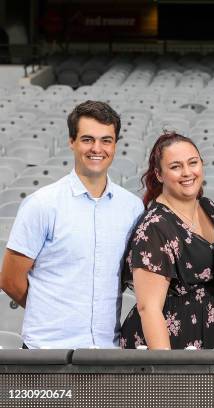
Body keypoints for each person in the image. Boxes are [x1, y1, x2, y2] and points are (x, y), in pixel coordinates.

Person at [0, 100, 144, 349]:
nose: (96, 148)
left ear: (115, 145)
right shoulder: (42, 204)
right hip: (46, 351)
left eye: (106, 140)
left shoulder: (132, 208)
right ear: (72, 141)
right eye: (87, 139)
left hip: (106, 351)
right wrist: (49, 312)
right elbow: (10, 280)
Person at [120, 132, 214, 350]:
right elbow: (148, 308)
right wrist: (167, 369)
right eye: (175, 166)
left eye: (193, 163)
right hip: (175, 341)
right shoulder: (154, 227)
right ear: (159, 174)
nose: (187, 172)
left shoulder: (209, 207)